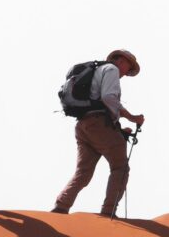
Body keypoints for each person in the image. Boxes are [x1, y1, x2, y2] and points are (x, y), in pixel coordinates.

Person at [51, 48, 144, 216]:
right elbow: (108, 97)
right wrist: (126, 120)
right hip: (99, 124)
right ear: (121, 61)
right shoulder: (112, 70)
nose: (126, 73)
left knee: (83, 172)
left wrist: (123, 123)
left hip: (83, 126)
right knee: (120, 168)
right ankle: (108, 212)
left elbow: (103, 101)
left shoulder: (97, 71)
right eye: (128, 68)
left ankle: (61, 206)